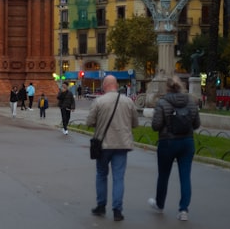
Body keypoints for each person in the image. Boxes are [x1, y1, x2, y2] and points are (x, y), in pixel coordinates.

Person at [85, 74, 139, 221]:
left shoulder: (99, 101)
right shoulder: (128, 102)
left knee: (101, 175)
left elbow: (89, 122)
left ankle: (101, 206)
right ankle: (117, 211)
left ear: (105, 86)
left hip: (103, 144)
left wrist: (100, 123)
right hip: (122, 144)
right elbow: (135, 123)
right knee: (119, 177)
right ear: (116, 85)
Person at [148, 75, 200, 221]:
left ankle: (160, 204)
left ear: (167, 87)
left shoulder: (162, 102)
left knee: (163, 175)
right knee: (185, 177)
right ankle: (184, 210)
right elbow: (196, 124)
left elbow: (156, 126)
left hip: (168, 142)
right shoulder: (190, 101)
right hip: (187, 142)